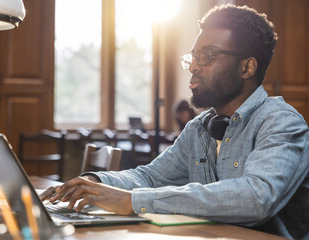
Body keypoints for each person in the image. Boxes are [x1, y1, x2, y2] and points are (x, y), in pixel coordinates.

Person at [41, 4, 309, 239]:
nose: (193, 66)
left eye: (207, 56)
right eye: (193, 57)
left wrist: (132, 201)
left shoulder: (281, 123)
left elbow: (256, 197)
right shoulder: (199, 128)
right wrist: (96, 183)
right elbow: (151, 176)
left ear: (246, 68)